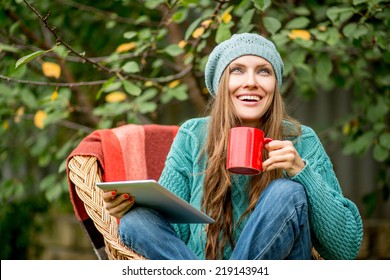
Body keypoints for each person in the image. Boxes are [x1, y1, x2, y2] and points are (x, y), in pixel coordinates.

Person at [102, 33, 363, 260]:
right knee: (136, 221)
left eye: (264, 71)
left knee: (286, 191)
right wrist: (131, 206)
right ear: (221, 83)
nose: (251, 81)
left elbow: (345, 249)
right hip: (198, 261)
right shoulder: (193, 135)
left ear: (275, 85)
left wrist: (300, 170)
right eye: (237, 70)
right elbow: (175, 228)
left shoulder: (300, 139)